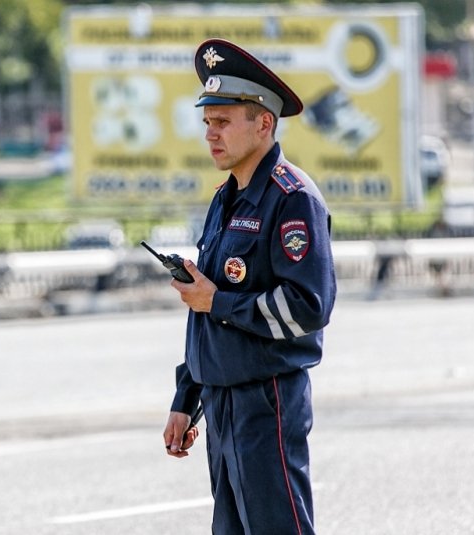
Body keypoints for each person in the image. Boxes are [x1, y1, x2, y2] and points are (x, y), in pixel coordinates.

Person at [162, 38, 337, 534]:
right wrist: (185, 398)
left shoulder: (292, 198)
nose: (210, 135)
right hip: (220, 400)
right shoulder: (226, 198)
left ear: (263, 123)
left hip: (267, 400)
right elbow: (204, 307)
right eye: (207, 123)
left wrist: (218, 300)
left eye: (222, 122)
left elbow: (308, 306)